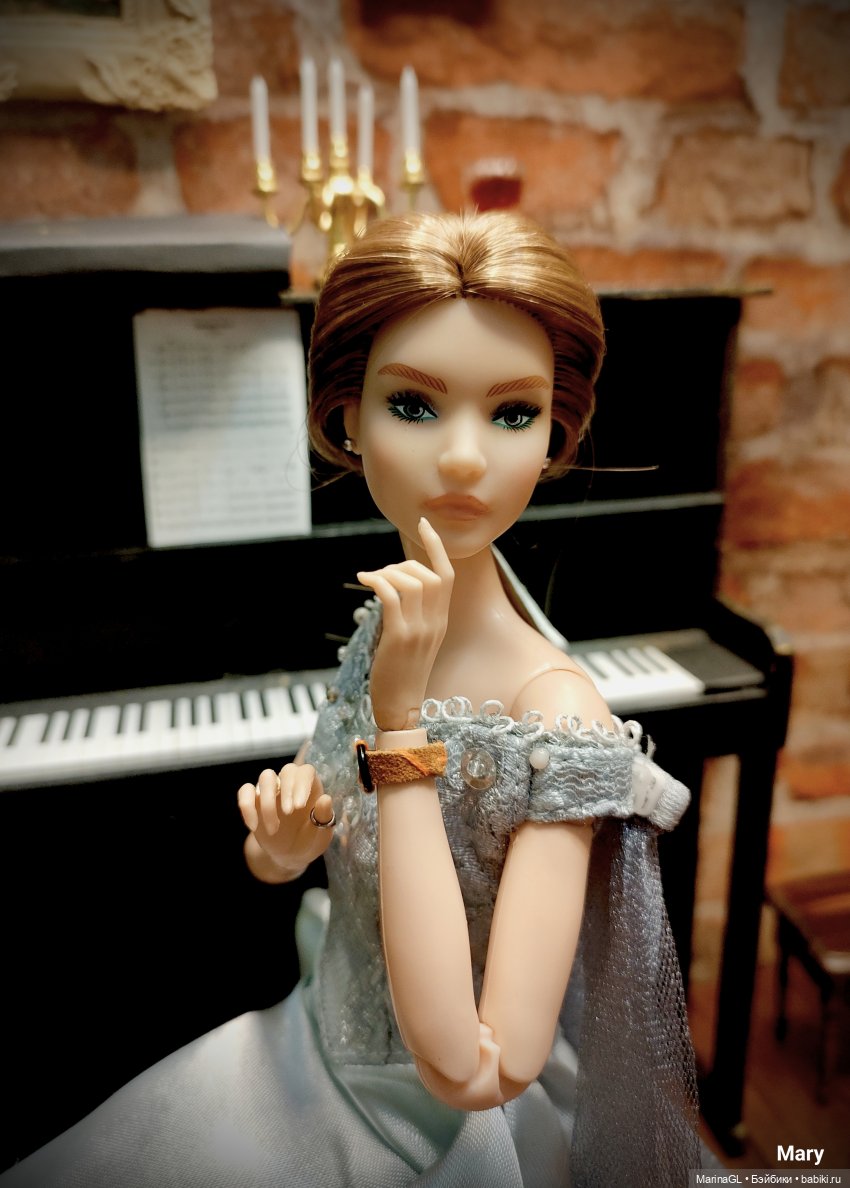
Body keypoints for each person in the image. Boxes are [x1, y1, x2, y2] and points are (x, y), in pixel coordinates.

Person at [0, 210, 703, 1187]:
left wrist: (402, 730)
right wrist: (284, 839)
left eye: (512, 413)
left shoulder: (560, 716)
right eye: (413, 404)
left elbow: (479, 1070)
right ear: (345, 418)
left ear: (556, 435)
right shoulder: (391, 619)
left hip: (426, 1127)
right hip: (317, 1033)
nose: (464, 459)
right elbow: (297, 834)